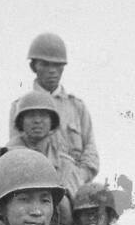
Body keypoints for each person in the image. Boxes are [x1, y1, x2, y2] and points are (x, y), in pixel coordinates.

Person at [8, 33, 98, 184]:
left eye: (57, 65)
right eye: (45, 64)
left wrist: (75, 179)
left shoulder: (77, 107)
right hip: (34, 185)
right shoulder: (19, 107)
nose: (52, 70)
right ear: (33, 66)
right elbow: (16, 151)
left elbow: (91, 154)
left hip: (74, 185)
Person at [7, 90, 82, 225]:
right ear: (21, 121)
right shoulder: (6, 158)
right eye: (31, 115)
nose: (37, 120)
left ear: (52, 122)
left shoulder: (65, 164)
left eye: (43, 115)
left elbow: (77, 212)